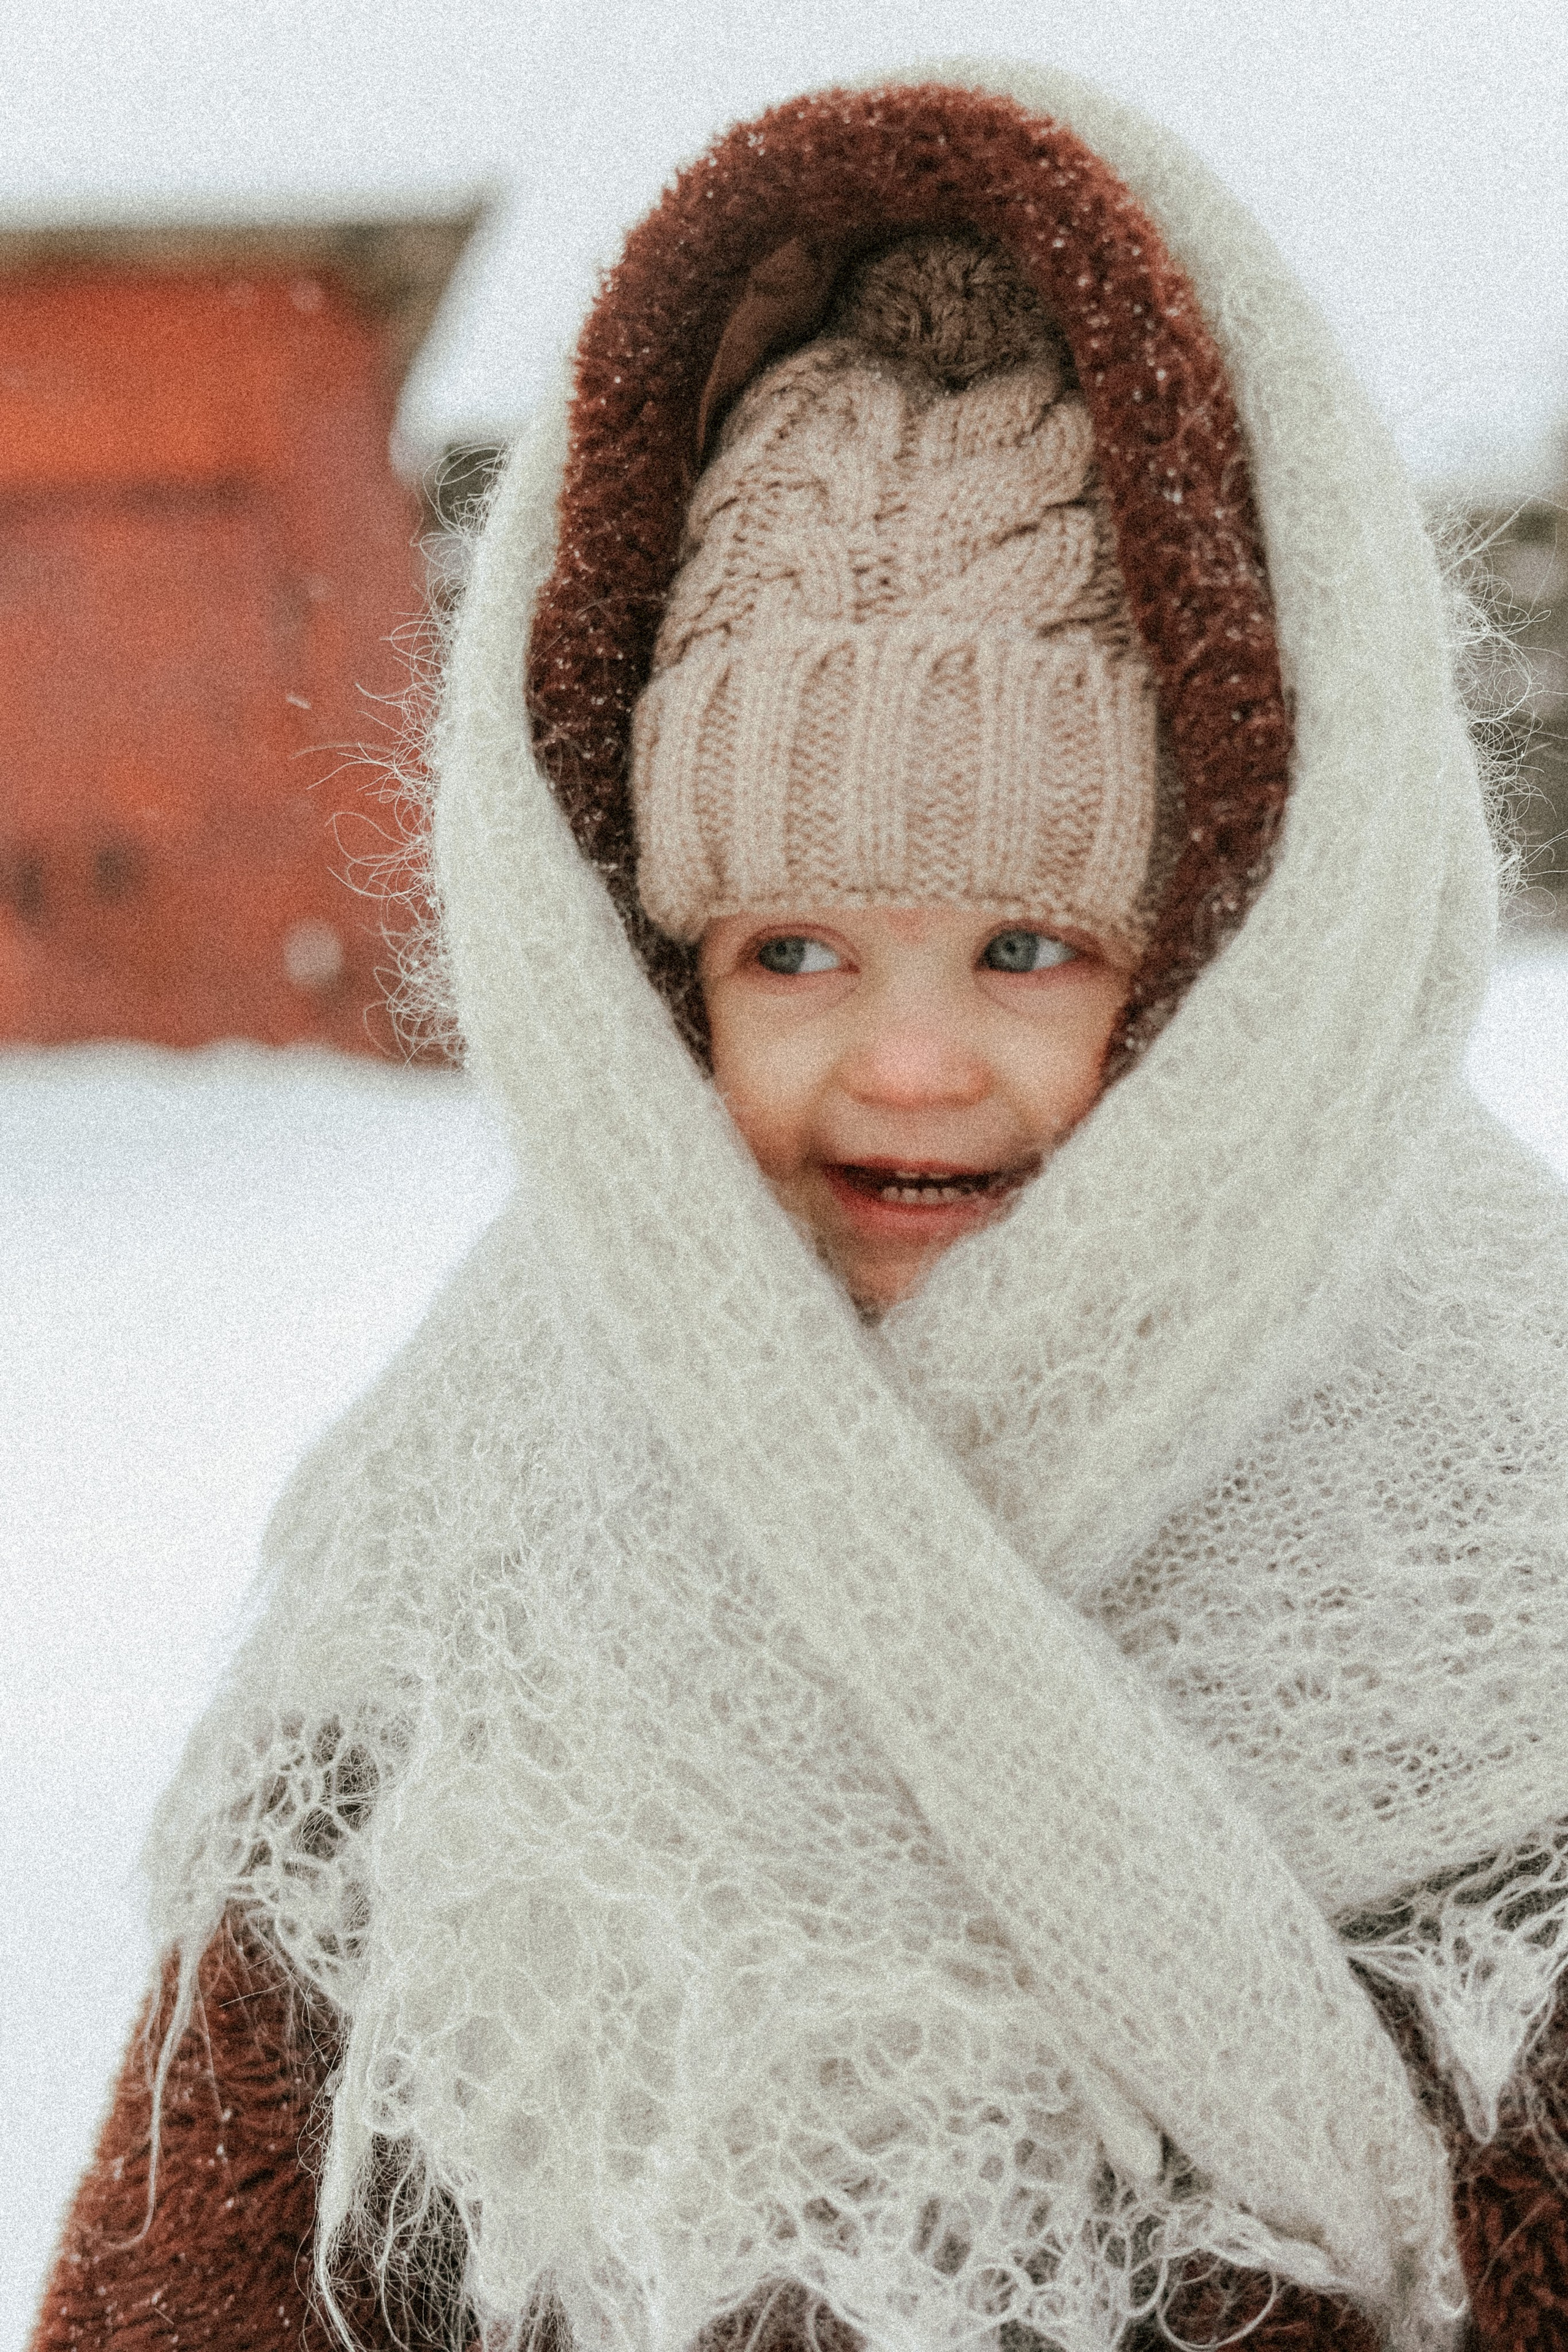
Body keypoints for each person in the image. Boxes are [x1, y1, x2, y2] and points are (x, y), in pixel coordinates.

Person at [29, 64, 1568, 2352]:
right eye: (793, 953)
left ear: (1230, 951)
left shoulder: (1481, 1461)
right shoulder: (499, 1487)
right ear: (648, 973)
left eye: (1027, 947)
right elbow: (227, 2218)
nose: (908, 1059)